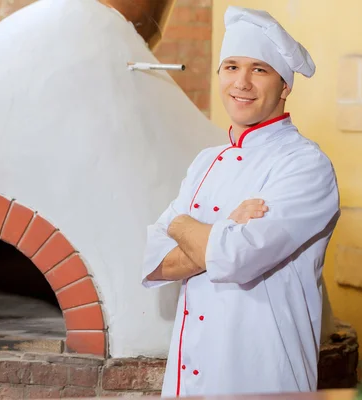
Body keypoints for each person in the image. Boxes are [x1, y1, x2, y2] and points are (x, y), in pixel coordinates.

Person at [141, 6, 340, 397]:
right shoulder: (204, 163)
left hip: (260, 376)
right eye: (231, 67)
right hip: (188, 379)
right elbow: (156, 262)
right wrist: (221, 231)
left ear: (285, 85)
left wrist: (181, 225)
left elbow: (236, 259)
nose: (241, 83)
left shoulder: (307, 165)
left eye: (259, 70)